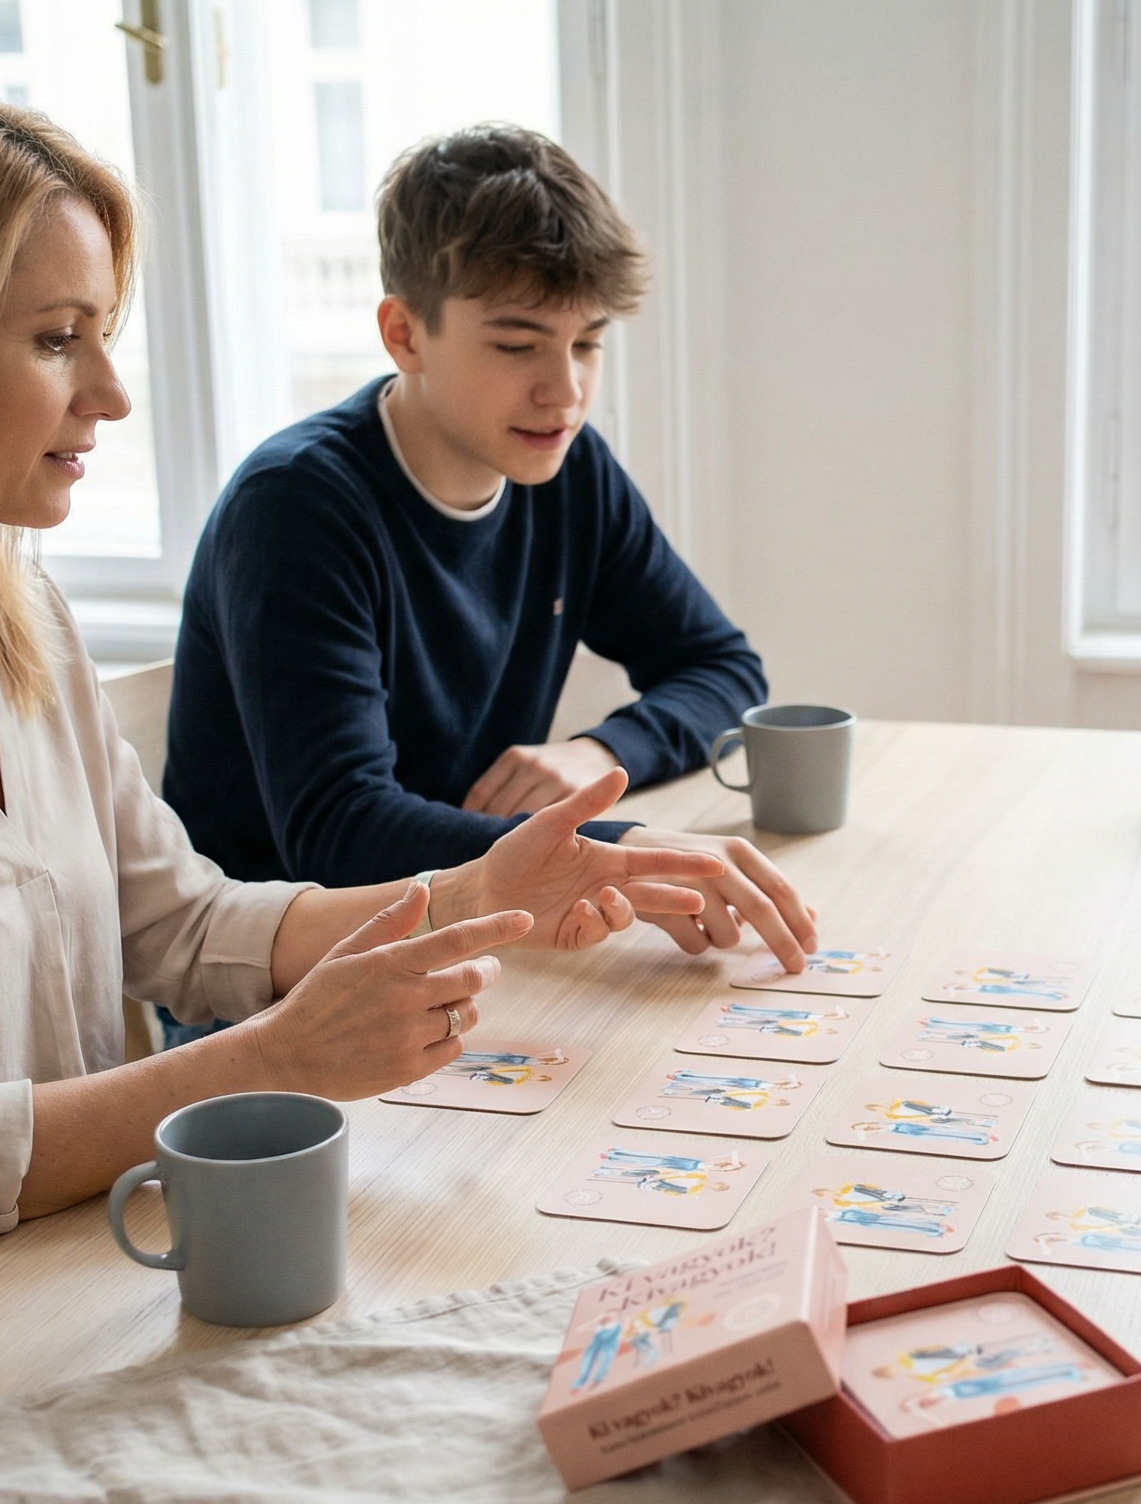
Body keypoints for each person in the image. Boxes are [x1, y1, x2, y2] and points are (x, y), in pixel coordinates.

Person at [0, 78, 735, 1484]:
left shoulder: (6, 608)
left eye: (105, 335)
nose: (112, 392)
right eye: (54, 339)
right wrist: (272, 1059)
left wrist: (476, 890)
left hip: (29, 1274)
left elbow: (184, 926)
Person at [164, 124, 816, 992]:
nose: (566, 390)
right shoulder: (294, 507)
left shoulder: (568, 468)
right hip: (285, 990)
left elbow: (719, 664)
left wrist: (597, 753)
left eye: (586, 343)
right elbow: (339, 827)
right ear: (404, 335)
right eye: (517, 345)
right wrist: (610, 852)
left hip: (475, 937)